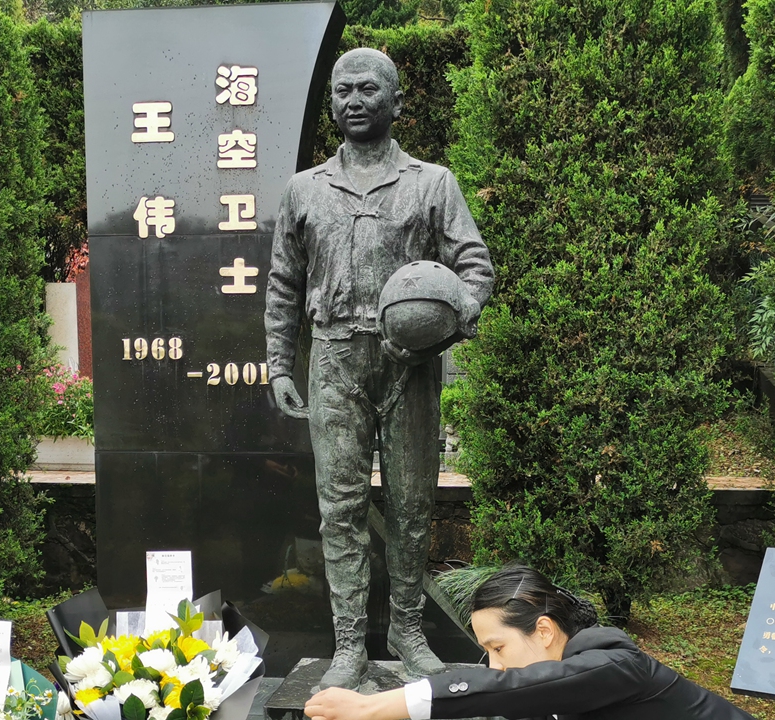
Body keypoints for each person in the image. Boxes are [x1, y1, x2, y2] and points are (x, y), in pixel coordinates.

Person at [264, 48, 494, 690]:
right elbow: (283, 283)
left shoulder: (432, 183)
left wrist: (451, 321)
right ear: (332, 103)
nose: (354, 101)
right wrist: (281, 363)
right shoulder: (304, 189)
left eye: (368, 90)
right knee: (338, 508)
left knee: (414, 505)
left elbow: (476, 266)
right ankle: (347, 645)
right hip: (335, 359)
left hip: (409, 368)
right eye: (343, 92)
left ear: (396, 102)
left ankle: (408, 628)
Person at [304, 566, 756, 720]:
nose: (495, 665)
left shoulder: (616, 665)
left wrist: (371, 708)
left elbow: (509, 689)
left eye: (498, 648)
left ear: (543, 630)